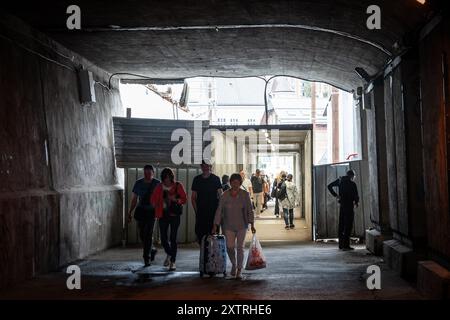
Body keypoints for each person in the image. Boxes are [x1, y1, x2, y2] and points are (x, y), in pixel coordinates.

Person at [212, 173, 256, 279]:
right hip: (228, 226)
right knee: (229, 247)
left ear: (240, 183)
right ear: (230, 183)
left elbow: (250, 210)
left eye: (237, 182)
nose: (235, 184)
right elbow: (219, 211)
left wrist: (252, 223)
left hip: (242, 225)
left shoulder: (245, 195)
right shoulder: (224, 195)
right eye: (233, 182)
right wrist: (215, 225)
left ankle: (239, 270)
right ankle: (234, 264)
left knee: (240, 247)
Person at [151, 168, 187, 271]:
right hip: (163, 215)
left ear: (171, 177)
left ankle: (173, 262)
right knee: (163, 239)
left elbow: (184, 199)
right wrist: (156, 204)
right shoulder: (159, 187)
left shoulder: (178, 185)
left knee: (173, 238)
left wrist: (175, 200)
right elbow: (153, 199)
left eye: (169, 177)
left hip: (175, 215)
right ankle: (170, 253)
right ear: (163, 178)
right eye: (165, 177)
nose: (167, 179)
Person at [127, 165, 160, 266]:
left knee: (148, 234)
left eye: (149, 173)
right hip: (141, 211)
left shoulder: (157, 183)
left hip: (151, 212)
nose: (147, 175)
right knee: (142, 234)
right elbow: (134, 199)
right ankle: (152, 250)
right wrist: (129, 212)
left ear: (153, 173)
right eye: (145, 173)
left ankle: (147, 257)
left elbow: (161, 199)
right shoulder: (138, 183)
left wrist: (160, 212)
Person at [191, 160, 223, 244]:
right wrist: (197, 211)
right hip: (201, 213)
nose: (205, 168)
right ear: (201, 167)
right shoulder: (196, 179)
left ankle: (212, 256)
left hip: (213, 213)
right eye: (203, 166)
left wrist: (219, 211)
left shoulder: (215, 179)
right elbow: (193, 198)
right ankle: (203, 255)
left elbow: (220, 196)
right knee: (200, 236)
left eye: (207, 166)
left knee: (214, 236)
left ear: (210, 167)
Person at [327, 170, 360, 251]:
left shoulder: (340, 181)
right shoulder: (352, 184)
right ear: (352, 176)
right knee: (348, 225)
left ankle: (341, 245)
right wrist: (356, 203)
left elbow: (329, 186)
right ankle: (346, 245)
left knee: (341, 224)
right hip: (349, 206)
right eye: (354, 176)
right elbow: (356, 195)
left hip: (342, 205)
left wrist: (336, 195)